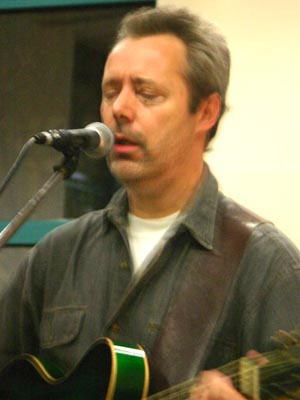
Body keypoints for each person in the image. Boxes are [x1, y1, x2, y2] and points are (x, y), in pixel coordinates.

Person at [0, 6, 300, 399]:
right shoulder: (58, 254)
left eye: (146, 93)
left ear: (205, 111)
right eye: (111, 92)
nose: (119, 110)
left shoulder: (267, 267)